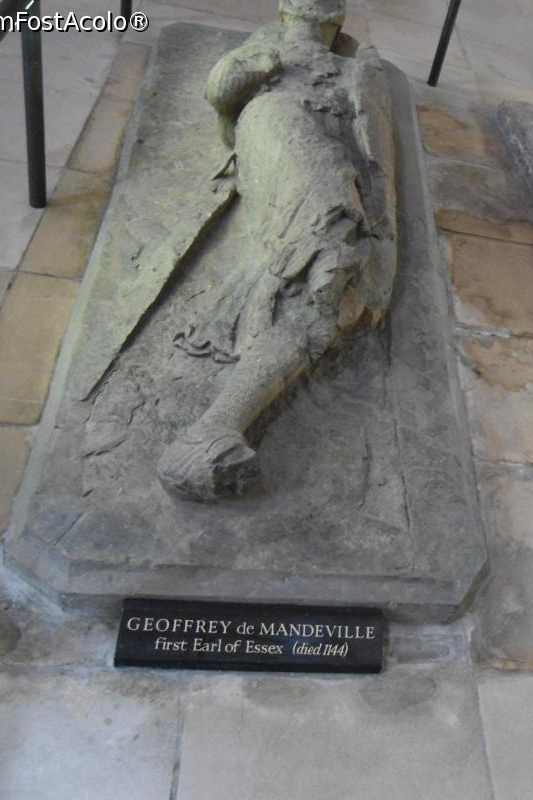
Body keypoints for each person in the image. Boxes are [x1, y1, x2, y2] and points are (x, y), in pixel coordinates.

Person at [157, 0, 396, 501]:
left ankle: (213, 429)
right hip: (283, 131)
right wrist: (259, 67)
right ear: (286, 9)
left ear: (337, 19)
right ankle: (210, 432)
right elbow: (221, 92)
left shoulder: (353, 67)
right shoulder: (267, 44)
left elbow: (371, 144)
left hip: (333, 157)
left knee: (338, 290)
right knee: (329, 256)